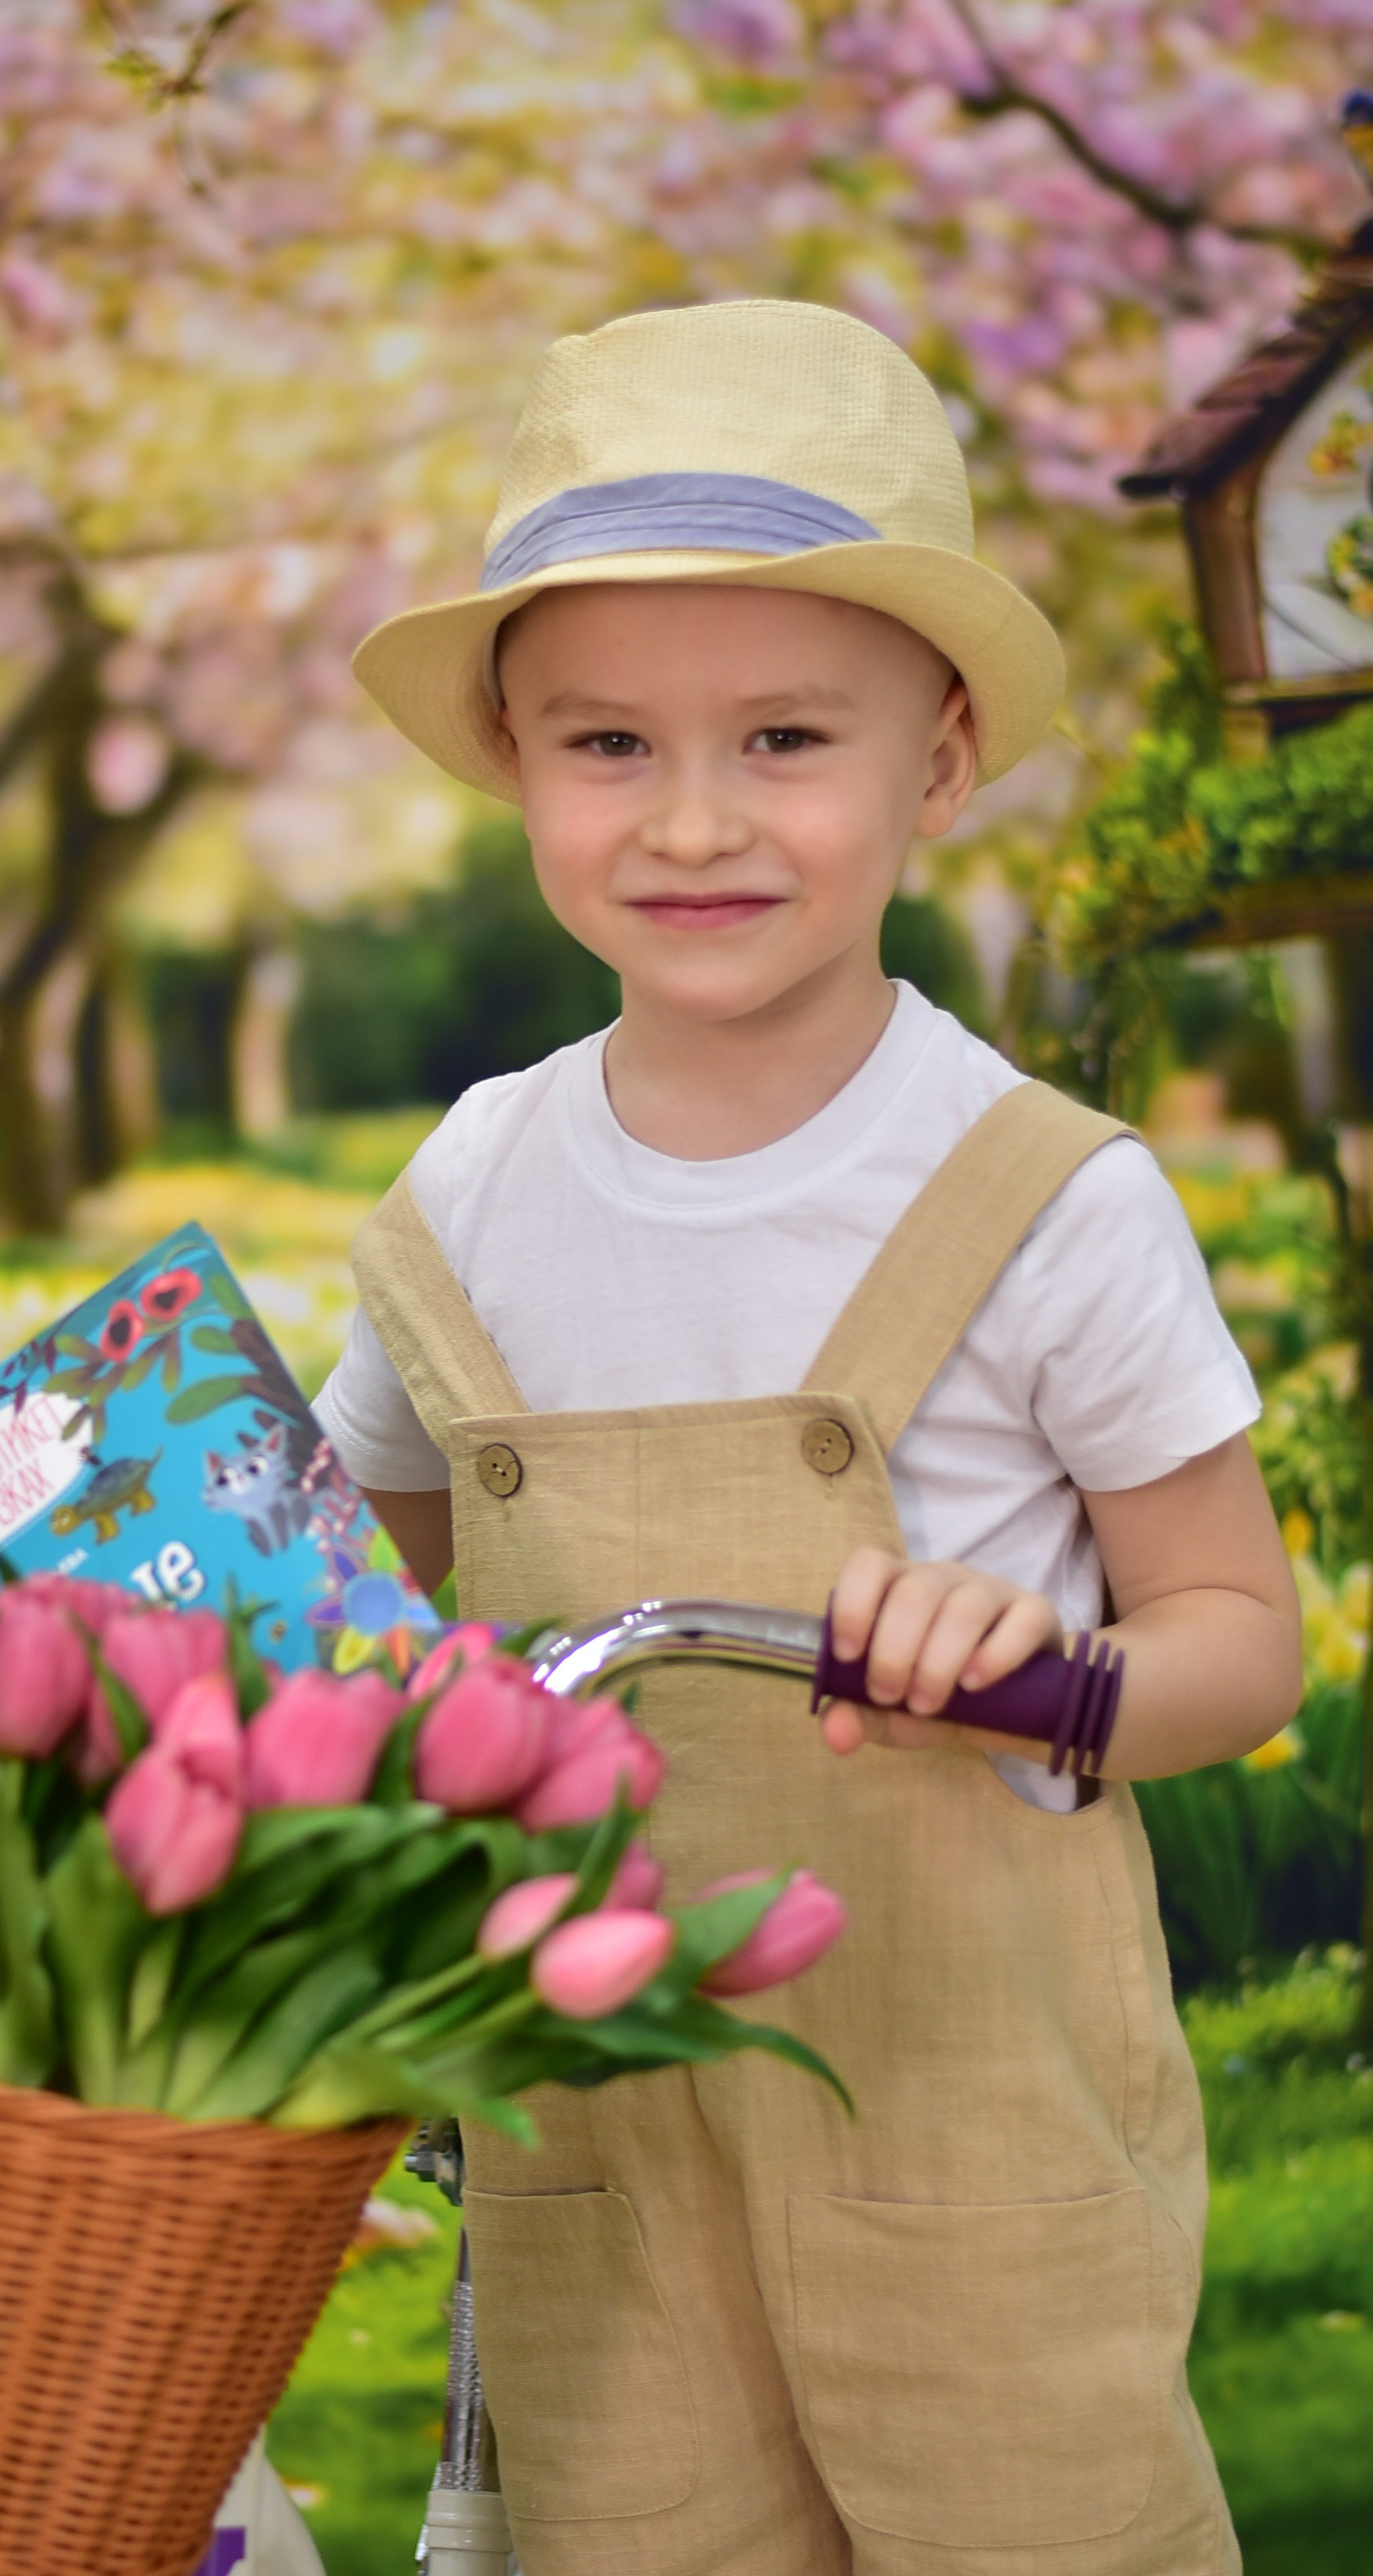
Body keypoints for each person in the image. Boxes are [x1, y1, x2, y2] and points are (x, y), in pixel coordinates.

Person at [313, 301, 1299, 2576]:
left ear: (939, 760)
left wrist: (1052, 1677)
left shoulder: (1040, 1194)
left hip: (978, 2136)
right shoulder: (468, 1189)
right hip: (597, 2150)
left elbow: (1244, 1643)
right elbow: (354, 1621)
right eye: (604, 743)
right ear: (512, 764)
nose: (687, 820)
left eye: (782, 739)